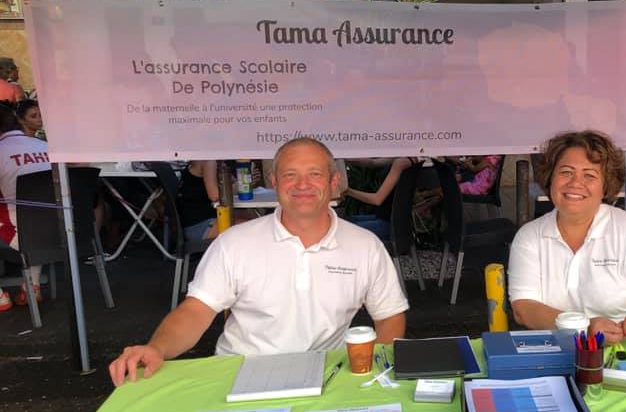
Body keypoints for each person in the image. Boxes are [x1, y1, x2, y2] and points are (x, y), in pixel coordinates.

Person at [108, 138, 409, 385]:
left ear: (334, 182)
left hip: (325, 376)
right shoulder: (234, 243)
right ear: (274, 182)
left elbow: (389, 316)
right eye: (290, 175)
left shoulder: (365, 246)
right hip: (239, 374)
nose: (302, 185)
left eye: (315, 174)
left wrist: (373, 373)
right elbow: (196, 311)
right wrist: (157, 348)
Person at [508, 130, 626, 345]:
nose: (576, 183)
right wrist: (584, 328)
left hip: (624, 354)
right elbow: (524, 308)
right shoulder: (529, 237)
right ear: (550, 179)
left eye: (589, 175)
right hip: (553, 351)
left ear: (605, 186)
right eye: (566, 172)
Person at [0, 101, 50, 311]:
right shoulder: (45, 147)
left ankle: (1, 297)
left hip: (20, 235)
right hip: (61, 230)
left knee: (24, 220)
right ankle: (32, 287)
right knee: (36, 215)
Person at [341, 156, 418, 239]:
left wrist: (347, 191)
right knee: (342, 222)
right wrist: (345, 159)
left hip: (389, 225)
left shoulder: (402, 162)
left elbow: (377, 199)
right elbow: (373, 163)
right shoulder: (406, 157)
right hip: (386, 218)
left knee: (341, 230)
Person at [177, 160, 219, 242]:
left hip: (191, 226)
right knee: (246, 228)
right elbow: (214, 196)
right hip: (202, 227)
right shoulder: (208, 161)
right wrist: (236, 186)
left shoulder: (196, 161)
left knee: (244, 218)